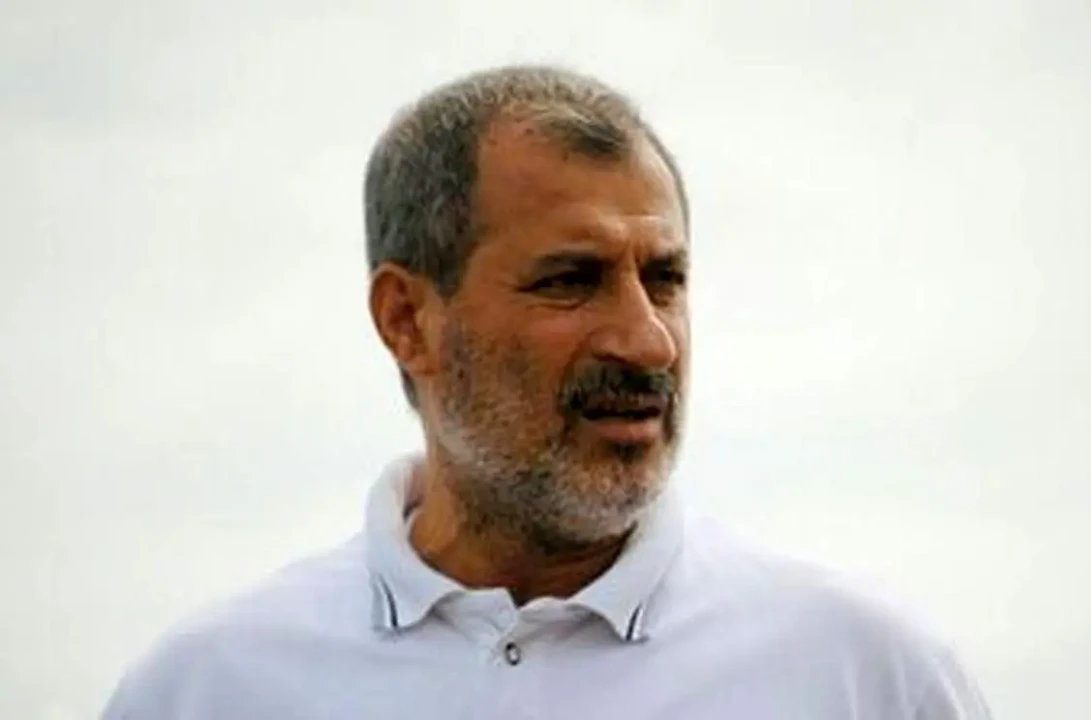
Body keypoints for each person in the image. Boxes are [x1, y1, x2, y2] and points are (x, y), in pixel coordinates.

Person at [100, 65, 992, 719]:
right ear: (407, 321)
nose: (647, 340)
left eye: (666, 279)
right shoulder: (206, 692)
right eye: (571, 280)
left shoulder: (868, 678)